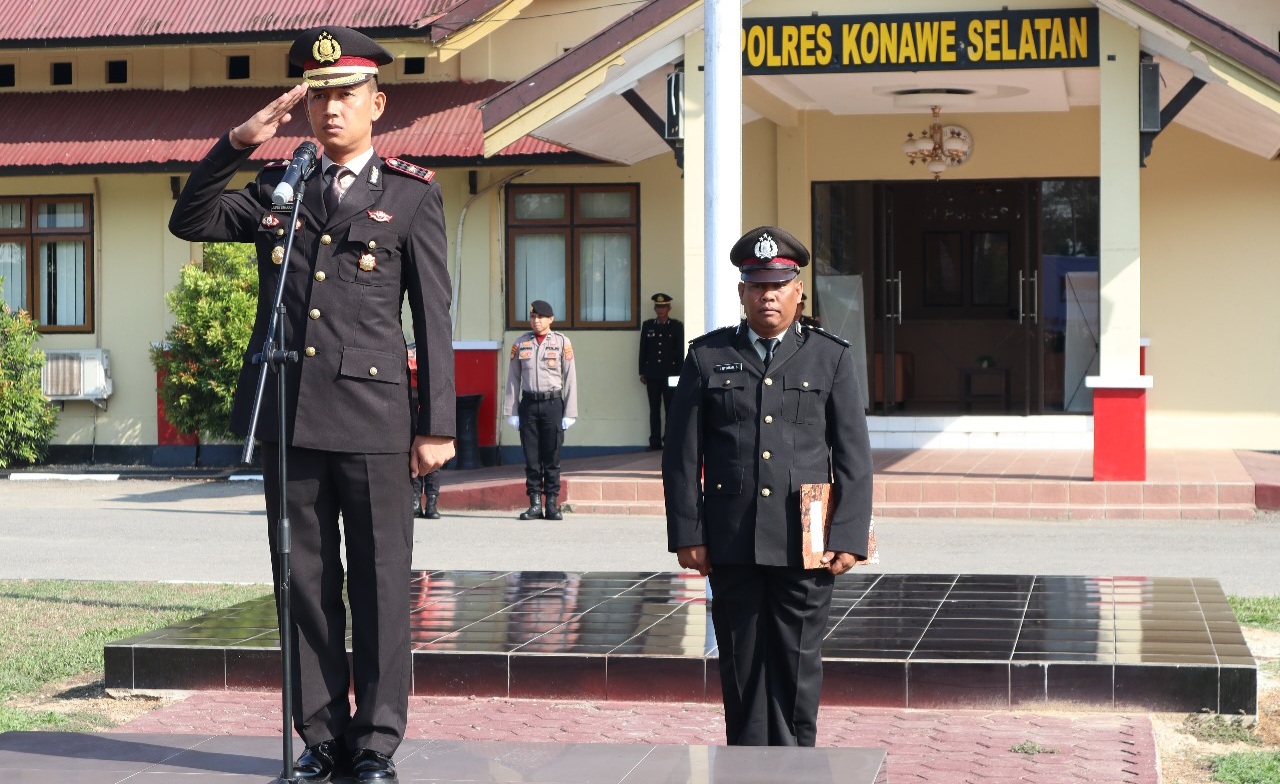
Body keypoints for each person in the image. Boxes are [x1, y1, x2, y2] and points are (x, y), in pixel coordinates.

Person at [168, 25, 455, 783]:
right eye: (319, 96)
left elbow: (434, 316)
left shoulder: (410, 194)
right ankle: (321, 737)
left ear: (377, 103)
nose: (331, 109)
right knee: (303, 581)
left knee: (383, 580)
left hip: (374, 417)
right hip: (289, 416)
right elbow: (190, 218)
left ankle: (375, 743)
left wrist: (438, 425)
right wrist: (236, 142)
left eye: (346, 95)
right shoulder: (276, 189)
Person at [662, 226, 873, 747]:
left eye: (778, 284)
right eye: (757, 285)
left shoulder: (831, 357)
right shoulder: (707, 357)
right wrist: (688, 532)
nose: (768, 295)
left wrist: (847, 535)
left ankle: (796, 765)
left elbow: (853, 457)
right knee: (740, 659)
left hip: (805, 543)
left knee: (798, 661)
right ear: (741, 292)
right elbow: (683, 457)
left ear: (798, 290)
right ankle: (748, 765)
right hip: (731, 541)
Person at [503, 300, 578, 521]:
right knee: (532, 457)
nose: (536, 321)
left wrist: (570, 412)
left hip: (553, 404)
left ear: (551, 320)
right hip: (529, 405)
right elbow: (513, 379)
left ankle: (552, 504)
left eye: (541, 317)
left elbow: (570, 378)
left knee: (552, 456)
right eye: (533, 317)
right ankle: (535, 503)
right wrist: (512, 410)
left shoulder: (562, 342)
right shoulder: (521, 343)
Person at [638, 292, 684, 450]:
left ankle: (669, 440)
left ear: (669, 308)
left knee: (671, 409)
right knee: (654, 409)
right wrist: (641, 371)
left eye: (663, 306)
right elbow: (643, 349)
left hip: (671, 374)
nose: (661, 309)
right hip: (652, 374)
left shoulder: (676, 326)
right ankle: (655, 441)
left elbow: (679, 352)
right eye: (658, 306)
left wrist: (681, 373)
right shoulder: (648, 325)